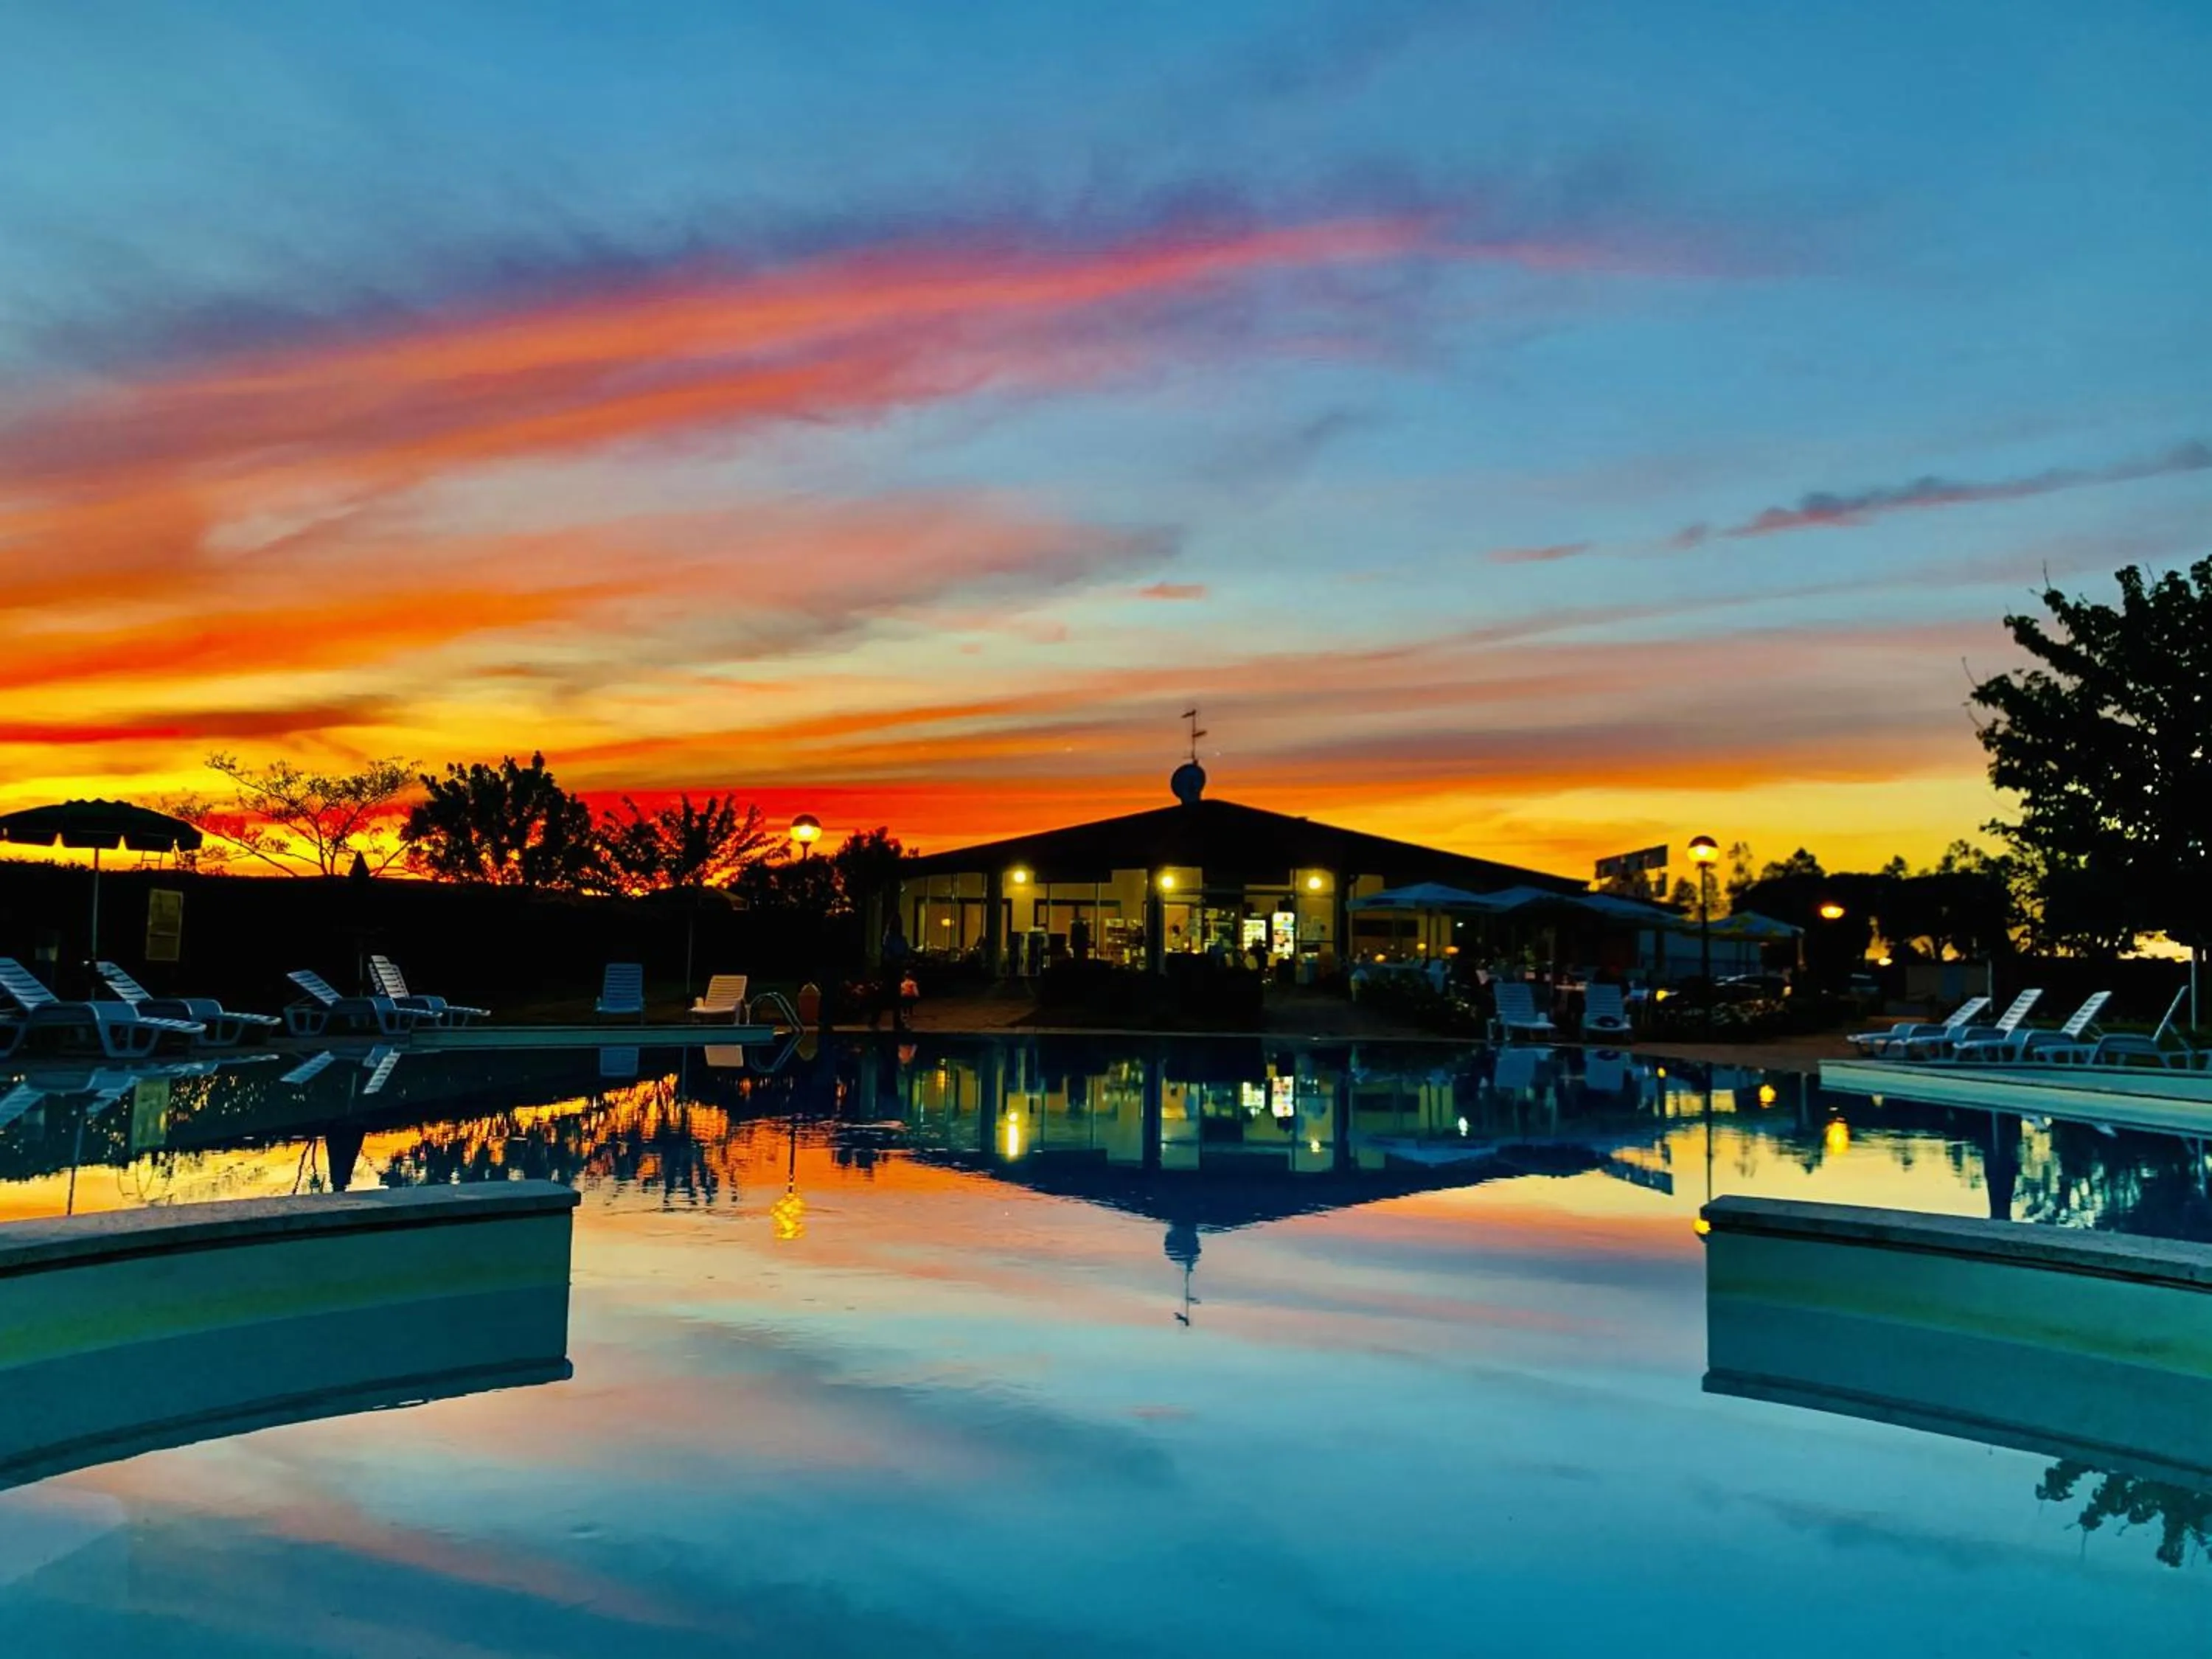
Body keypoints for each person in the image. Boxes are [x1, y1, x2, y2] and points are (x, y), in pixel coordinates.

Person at [874, 915, 912, 1032]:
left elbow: (905, 953)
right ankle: (878, 1018)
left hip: (896, 968)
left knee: (894, 995)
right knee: (887, 994)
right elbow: (887, 955)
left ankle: (893, 1021)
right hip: (891, 969)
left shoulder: (899, 939)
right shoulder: (890, 939)